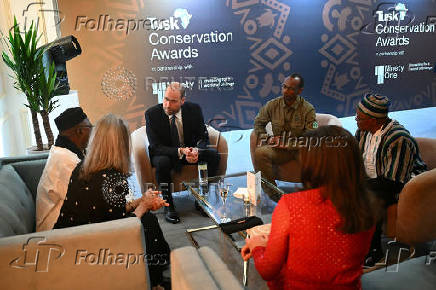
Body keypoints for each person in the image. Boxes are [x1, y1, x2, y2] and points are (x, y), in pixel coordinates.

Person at [242, 126, 379, 289]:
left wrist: (257, 246)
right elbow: (333, 247)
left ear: (313, 165)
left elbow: (268, 270)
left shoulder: (290, 204)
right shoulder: (368, 203)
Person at [54, 114, 170, 288]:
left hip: (70, 238)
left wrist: (141, 200)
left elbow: (111, 210)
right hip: (87, 246)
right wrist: (144, 206)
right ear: (120, 145)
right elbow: (122, 227)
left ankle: (155, 275)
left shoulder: (83, 167)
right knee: (147, 222)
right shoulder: (112, 179)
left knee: (147, 218)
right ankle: (153, 281)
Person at [355, 93, 427, 265]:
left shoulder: (397, 138)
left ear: (373, 120)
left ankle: (374, 250)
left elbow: (392, 181)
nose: (356, 119)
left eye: (360, 117)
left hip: (404, 185)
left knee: (370, 200)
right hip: (375, 180)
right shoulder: (363, 131)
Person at [145, 82, 220, 223]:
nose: (167, 105)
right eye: (165, 99)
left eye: (173, 101)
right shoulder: (152, 114)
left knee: (213, 156)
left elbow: (202, 136)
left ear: (182, 101)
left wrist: (196, 150)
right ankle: (168, 205)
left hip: (188, 152)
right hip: (165, 153)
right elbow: (155, 146)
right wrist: (180, 151)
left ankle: (201, 199)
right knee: (163, 162)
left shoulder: (194, 110)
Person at [253, 73, 317, 201]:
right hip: (280, 150)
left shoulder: (308, 109)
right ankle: (275, 196)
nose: (286, 91)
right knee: (260, 153)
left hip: (300, 149)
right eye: (284, 87)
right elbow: (258, 124)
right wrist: (268, 138)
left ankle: (313, 196)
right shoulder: (272, 105)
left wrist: (288, 144)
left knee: (314, 158)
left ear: (299, 90)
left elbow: (312, 137)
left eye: (291, 88)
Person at [36, 107, 93, 232]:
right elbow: (87, 198)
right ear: (80, 131)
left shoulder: (62, 151)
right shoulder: (67, 161)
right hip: (53, 231)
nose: (93, 132)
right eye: (91, 127)